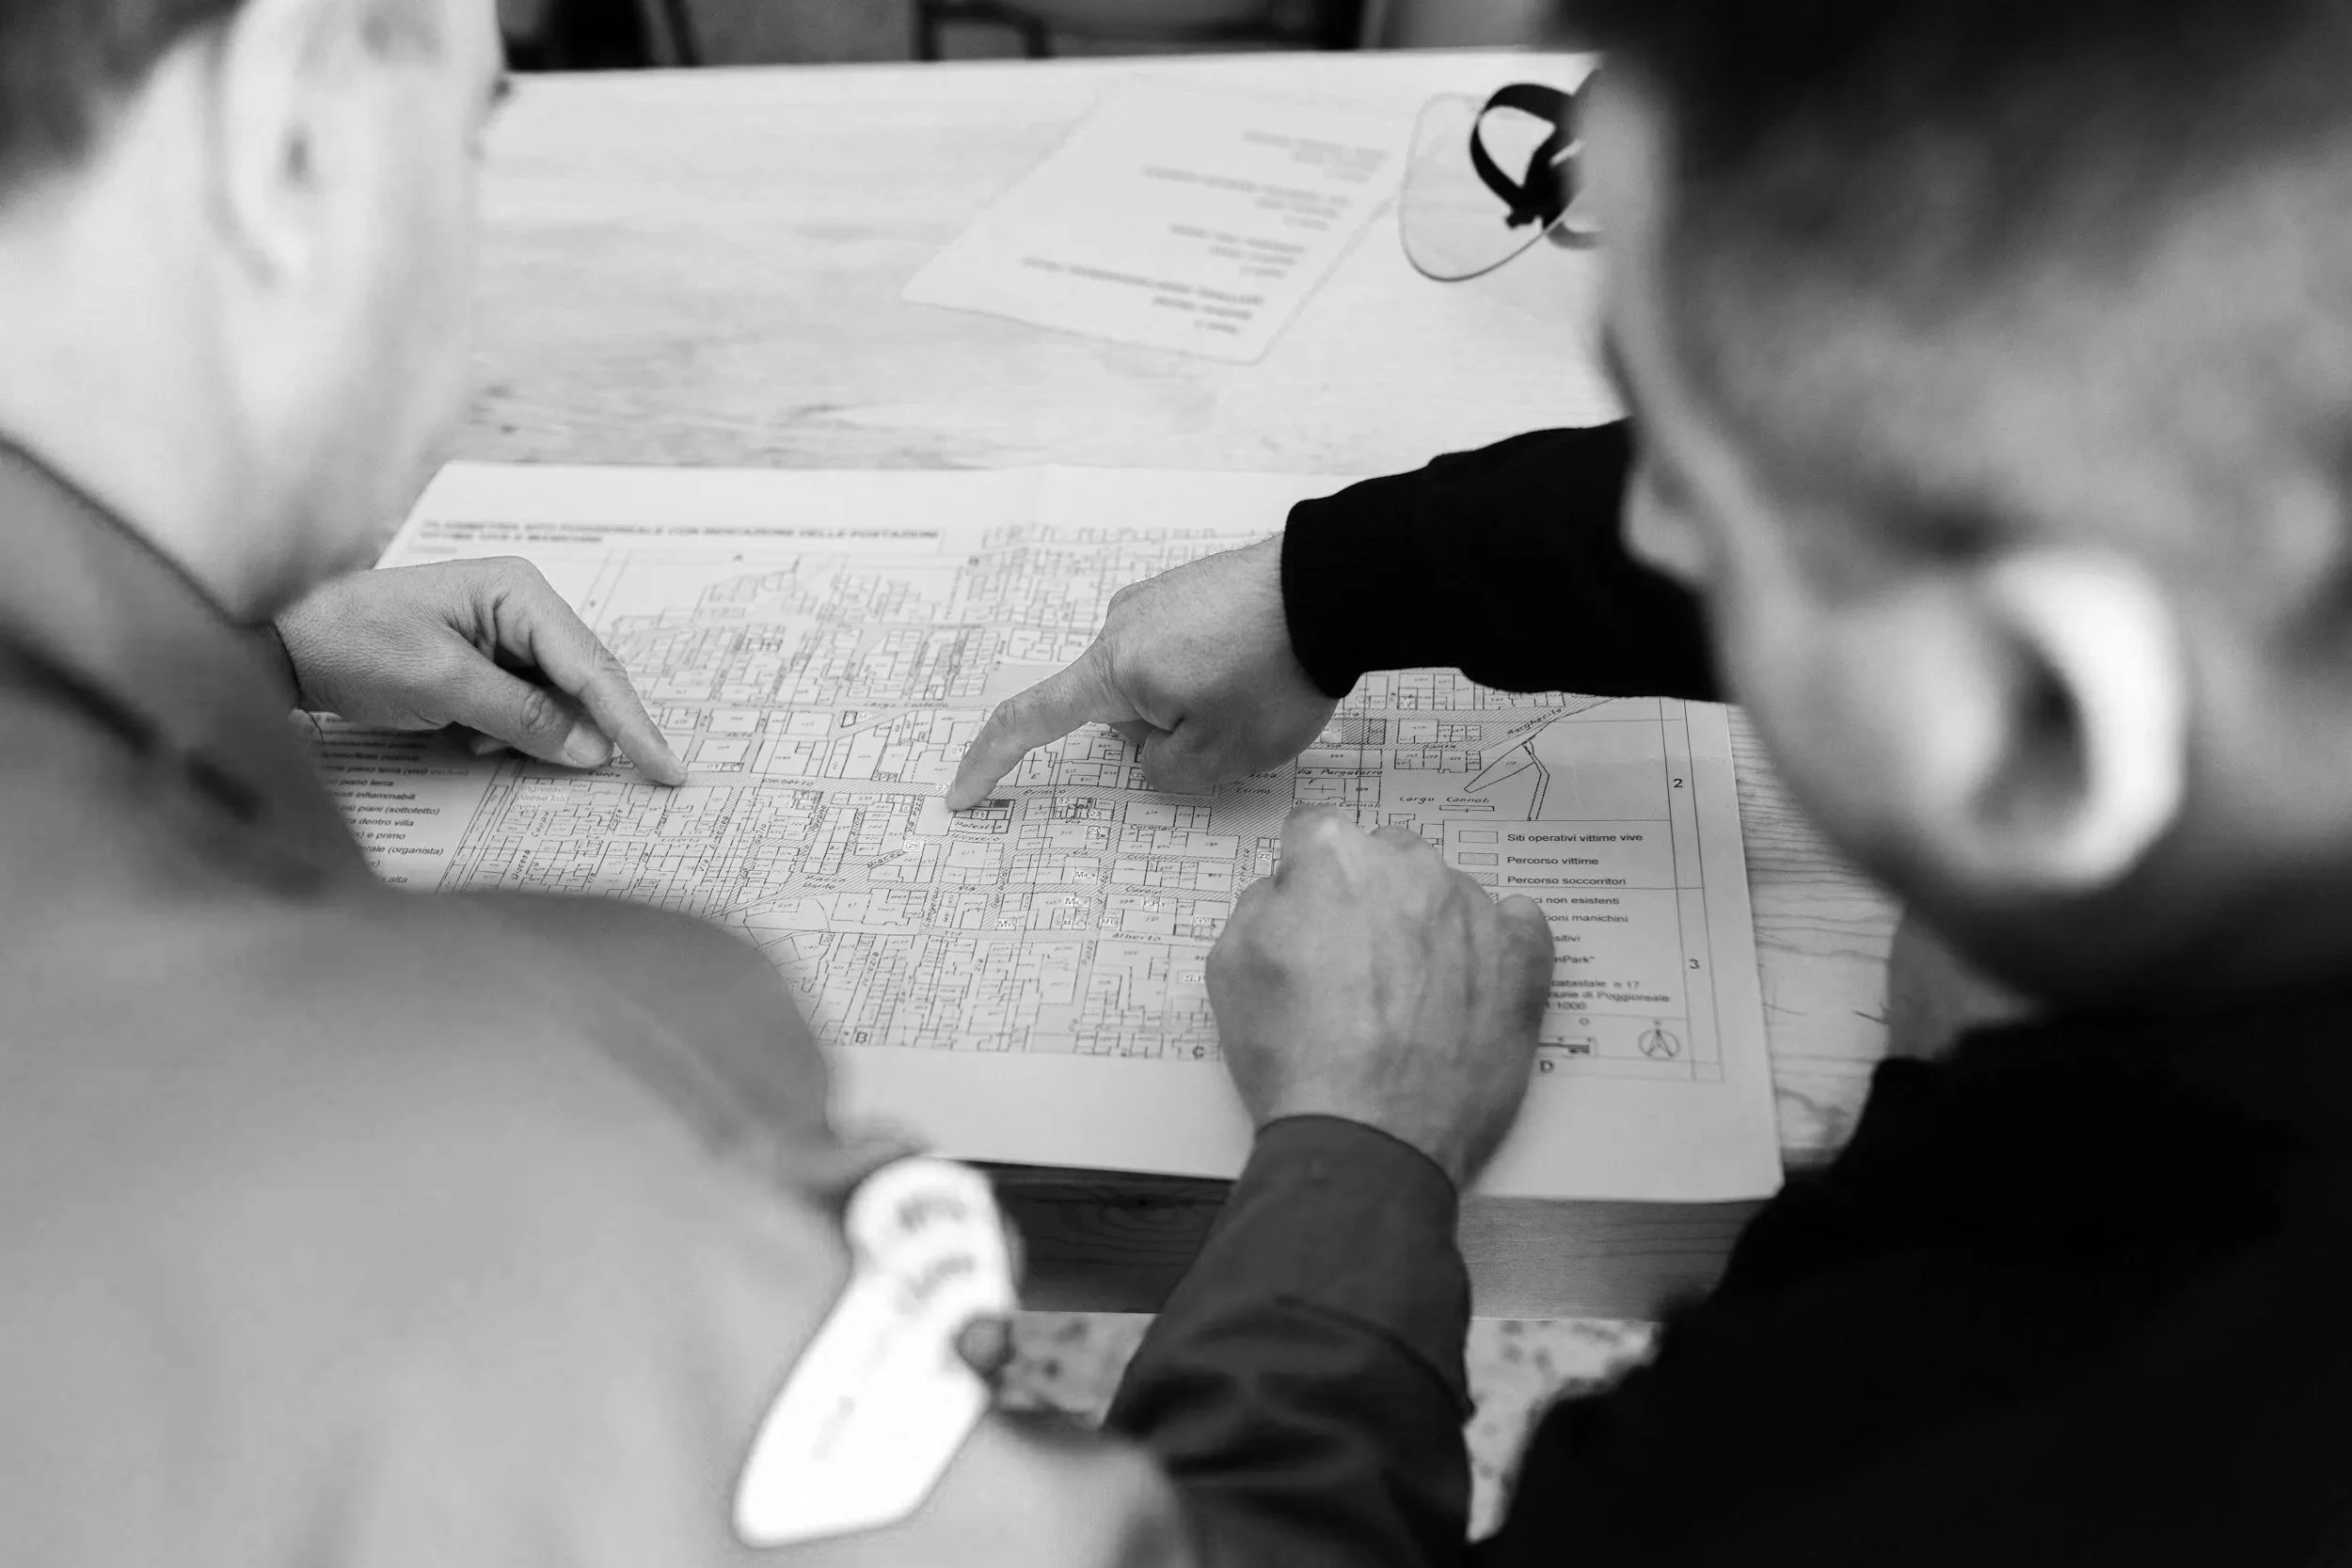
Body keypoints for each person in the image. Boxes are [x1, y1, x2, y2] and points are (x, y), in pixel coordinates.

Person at [0, 0, 1555, 1562]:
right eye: (472, 132)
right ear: (288, 121)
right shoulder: (543, 1168)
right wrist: (1366, 1146)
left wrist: (246, 625)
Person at [959, 0, 2352, 1562]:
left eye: (1696, 485)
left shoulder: (1935, 1453)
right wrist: (1334, 585)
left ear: (2042, 719)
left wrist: (1362, 1143)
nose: (1661, 537)